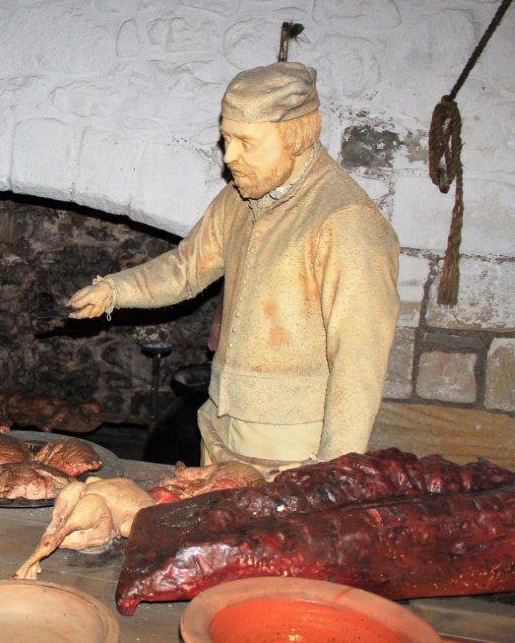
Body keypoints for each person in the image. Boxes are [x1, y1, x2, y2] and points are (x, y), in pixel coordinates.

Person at [69, 62, 399, 473]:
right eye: (227, 139)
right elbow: (186, 267)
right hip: (220, 426)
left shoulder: (346, 222)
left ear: (296, 138)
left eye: (247, 143)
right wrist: (114, 290)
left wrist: (333, 472)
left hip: (291, 451)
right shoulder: (239, 199)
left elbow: (359, 361)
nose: (230, 157)